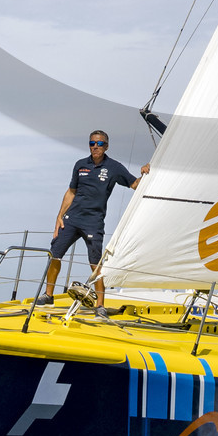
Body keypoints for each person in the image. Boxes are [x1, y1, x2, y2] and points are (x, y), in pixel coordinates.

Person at [40, 130, 149, 312]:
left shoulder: (114, 167)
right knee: (55, 254)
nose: (95, 147)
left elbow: (134, 185)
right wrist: (59, 217)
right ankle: (48, 295)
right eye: (92, 143)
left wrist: (144, 174)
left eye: (99, 144)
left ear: (106, 146)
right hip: (71, 219)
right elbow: (71, 192)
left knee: (95, 263)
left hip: (93, 222)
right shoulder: (80, 165)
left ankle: (100, 305)